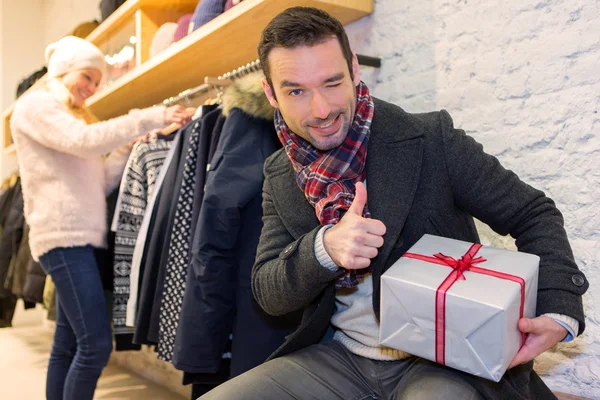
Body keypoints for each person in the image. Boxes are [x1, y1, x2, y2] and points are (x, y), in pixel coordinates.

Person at [199, 7, 588, 400]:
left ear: (354, 69)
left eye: (332, 83)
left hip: (444, 359)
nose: (320, 110)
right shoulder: (280, 173)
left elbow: (532, 213)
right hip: (340, 358)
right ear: (270, 94)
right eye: (296, 91)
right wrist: (325, 249)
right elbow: (268, 289)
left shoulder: (430, 137)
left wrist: (559, 310)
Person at [10, 35, 190, 400]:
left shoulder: (72, 116)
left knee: (70, 343)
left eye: (97, 81)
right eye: (87, 77)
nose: (91, 88)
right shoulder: (36, 107)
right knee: (94, 345)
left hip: (81, 239)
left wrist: (127, 145)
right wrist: (148, 118)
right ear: (64, 69)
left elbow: (101, 179)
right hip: (63, 239)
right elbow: (85, 141)